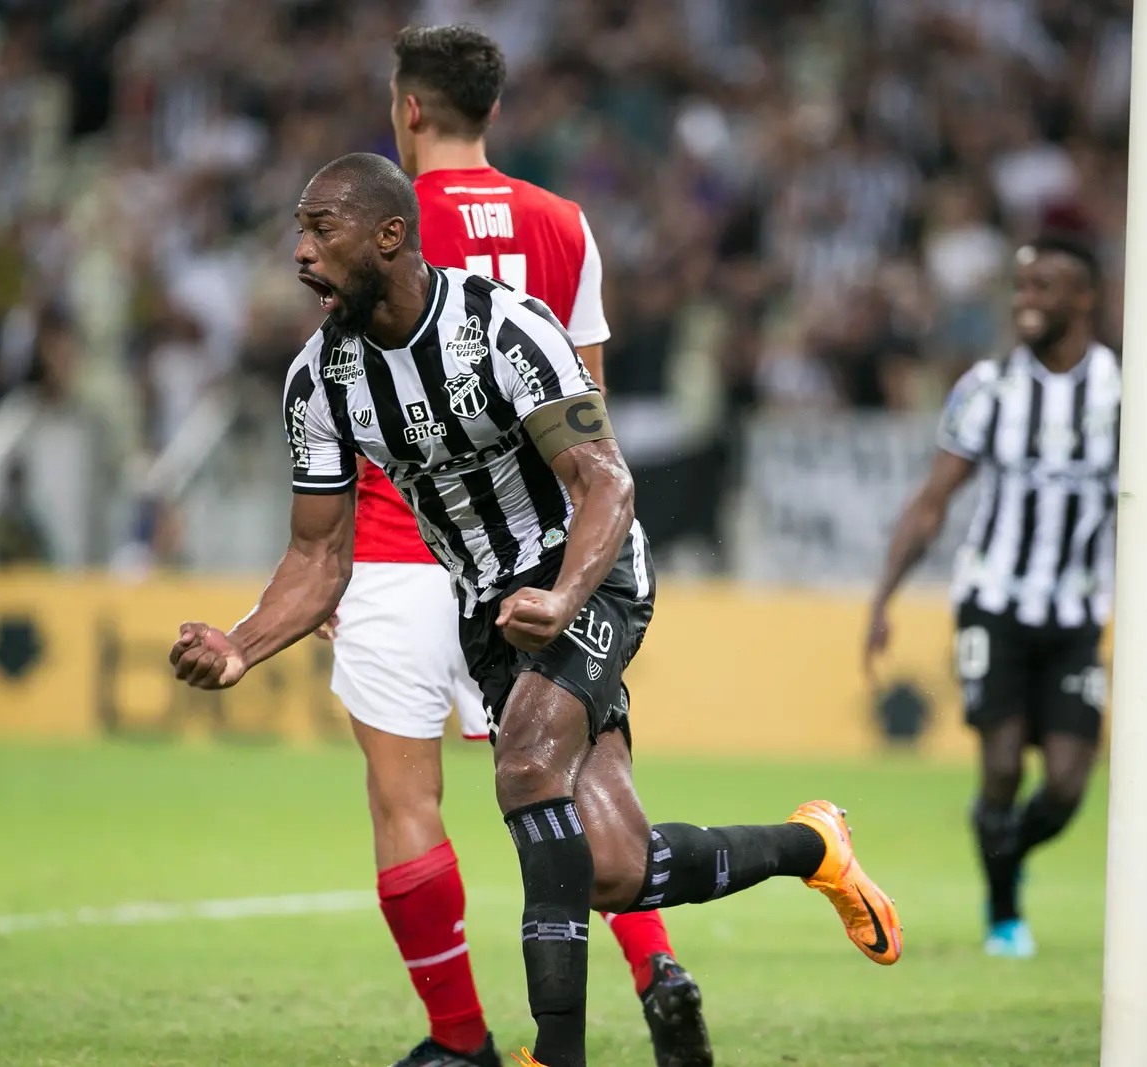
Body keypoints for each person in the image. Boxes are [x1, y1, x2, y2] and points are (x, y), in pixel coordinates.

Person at [169, 152, 902, 1067]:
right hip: (489, 605)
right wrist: (239, 647)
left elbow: (606, 482)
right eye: (300, 231)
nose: (301, 252)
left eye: (322, 229)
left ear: (390, 236)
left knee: (524, 765)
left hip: (590, 575)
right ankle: (813, 845)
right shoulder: (319, 381)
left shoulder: (504, 331)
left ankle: (555, 1055)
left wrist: (562, 596)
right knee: (614, 867)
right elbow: (321, 555)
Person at [312, 26, 708, 1067]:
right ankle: (652, 963)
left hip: (404, 550)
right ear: (492, 111)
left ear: (407, 111)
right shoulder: (563, 223)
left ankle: (460, 1039)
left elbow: (349, 393)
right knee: (570, 788)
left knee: (408, 798)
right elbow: (588, 417)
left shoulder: (378, 223)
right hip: (538, 552)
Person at [864, 235, 1118, 959]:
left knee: (1067, 786)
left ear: (1084, 298)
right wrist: (883, 597)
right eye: (1022, 286)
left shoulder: (1125, 391)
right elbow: (933, 500)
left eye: (1046, 288)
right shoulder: (988, 386)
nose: (1027, 301)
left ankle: (1003, 857)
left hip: (1074, 612)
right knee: (1002, 763)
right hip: (993, 602)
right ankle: (1004, 911)